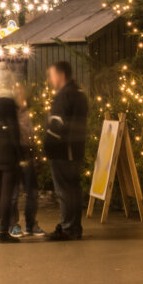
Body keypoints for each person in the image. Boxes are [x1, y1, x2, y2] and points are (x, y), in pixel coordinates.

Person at [45, 61, 89, 241]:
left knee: (65, 191)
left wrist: (48, 144)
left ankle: (68, 228)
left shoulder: (65, 95)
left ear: (61, 75)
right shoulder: (79, 94)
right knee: (73, 189)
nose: (50, 79)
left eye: (52, 75)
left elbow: (57, 124)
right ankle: (73, 226)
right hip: (75, 148)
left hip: (63, 150)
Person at [0, 64, 25, 242]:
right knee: (7, 192)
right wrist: (19, 152)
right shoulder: (9, 102)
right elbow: (14, 130)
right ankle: (3, 231)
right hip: (8, 150)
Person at [8, 81, 45, 238]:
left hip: (28, 155)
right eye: (18, 94)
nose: (21, 96)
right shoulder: (10, 114)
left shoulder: (26, 113)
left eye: (22, 93)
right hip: (14, 155)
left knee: (31, 192)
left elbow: (31, 135)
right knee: (14, 193)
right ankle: (13, 225)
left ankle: (31, 223)